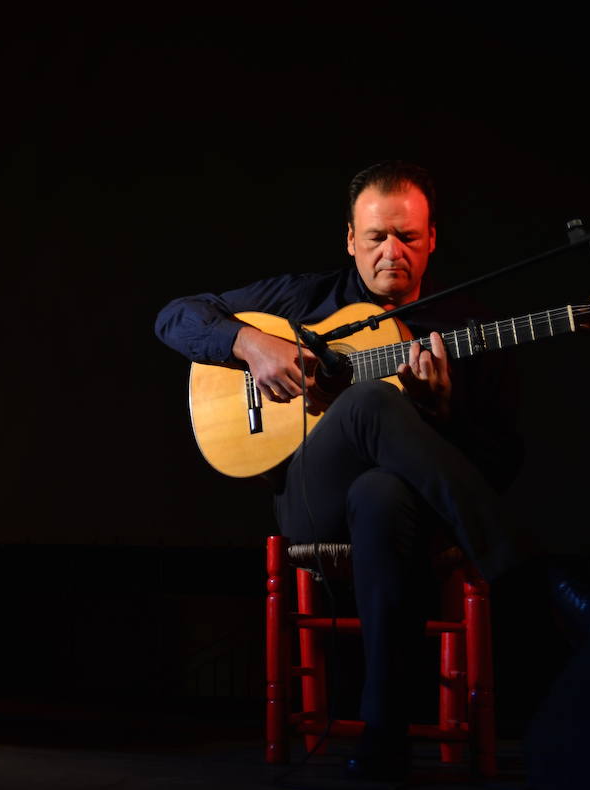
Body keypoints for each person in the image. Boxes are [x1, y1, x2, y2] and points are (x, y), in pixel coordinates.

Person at [155, 161, 523, 779]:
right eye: (376, 237)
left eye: (407, 237)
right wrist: (251, 344)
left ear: (432, 240)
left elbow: (501, 460)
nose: (391, 252)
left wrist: (442, 411)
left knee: (381, 494)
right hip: (309, 497)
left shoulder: (464, 328)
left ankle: (384, 738)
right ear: (351, 239)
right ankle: (522, 572)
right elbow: (174, 316)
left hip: (410, 517)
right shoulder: (305, 298)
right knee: (373, 398)